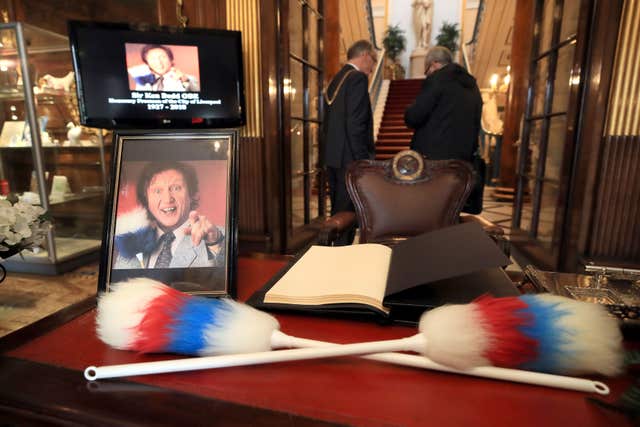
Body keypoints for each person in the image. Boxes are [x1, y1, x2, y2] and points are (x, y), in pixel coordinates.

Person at [114, 161, 224, 269]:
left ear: (192, 195)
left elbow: (222, 277)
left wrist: (215, 244)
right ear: (146, 198)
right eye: (157, 191)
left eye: (176, 188)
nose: (167, 199)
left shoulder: (216, 237)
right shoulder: (133, 239)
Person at [322, 40, 377, 245]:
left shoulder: (337, 78)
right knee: (348, 213)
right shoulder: (356, 78)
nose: (372, 68)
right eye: (373, 61)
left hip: (334, 158)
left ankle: (336, 252)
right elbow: (355, 124)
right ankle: (342, 256)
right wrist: (362, 160)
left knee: (338, 210)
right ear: (364, 55)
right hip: (350, 159)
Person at [404, 46, 482, 162]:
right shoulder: (473, 86)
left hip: (435, 161)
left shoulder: (437, 80)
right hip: (463, 160)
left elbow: (414, 117)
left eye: (427, 71)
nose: (427, 75)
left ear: (434, 64)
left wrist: (409, 109)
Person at [134, 44, 200, 92]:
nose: (158, 62)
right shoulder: (142, 81)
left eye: (162, 57)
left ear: (171, 60)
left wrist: (184, 81)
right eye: (152, 58)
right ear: (147, 63)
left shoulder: (188, 79)